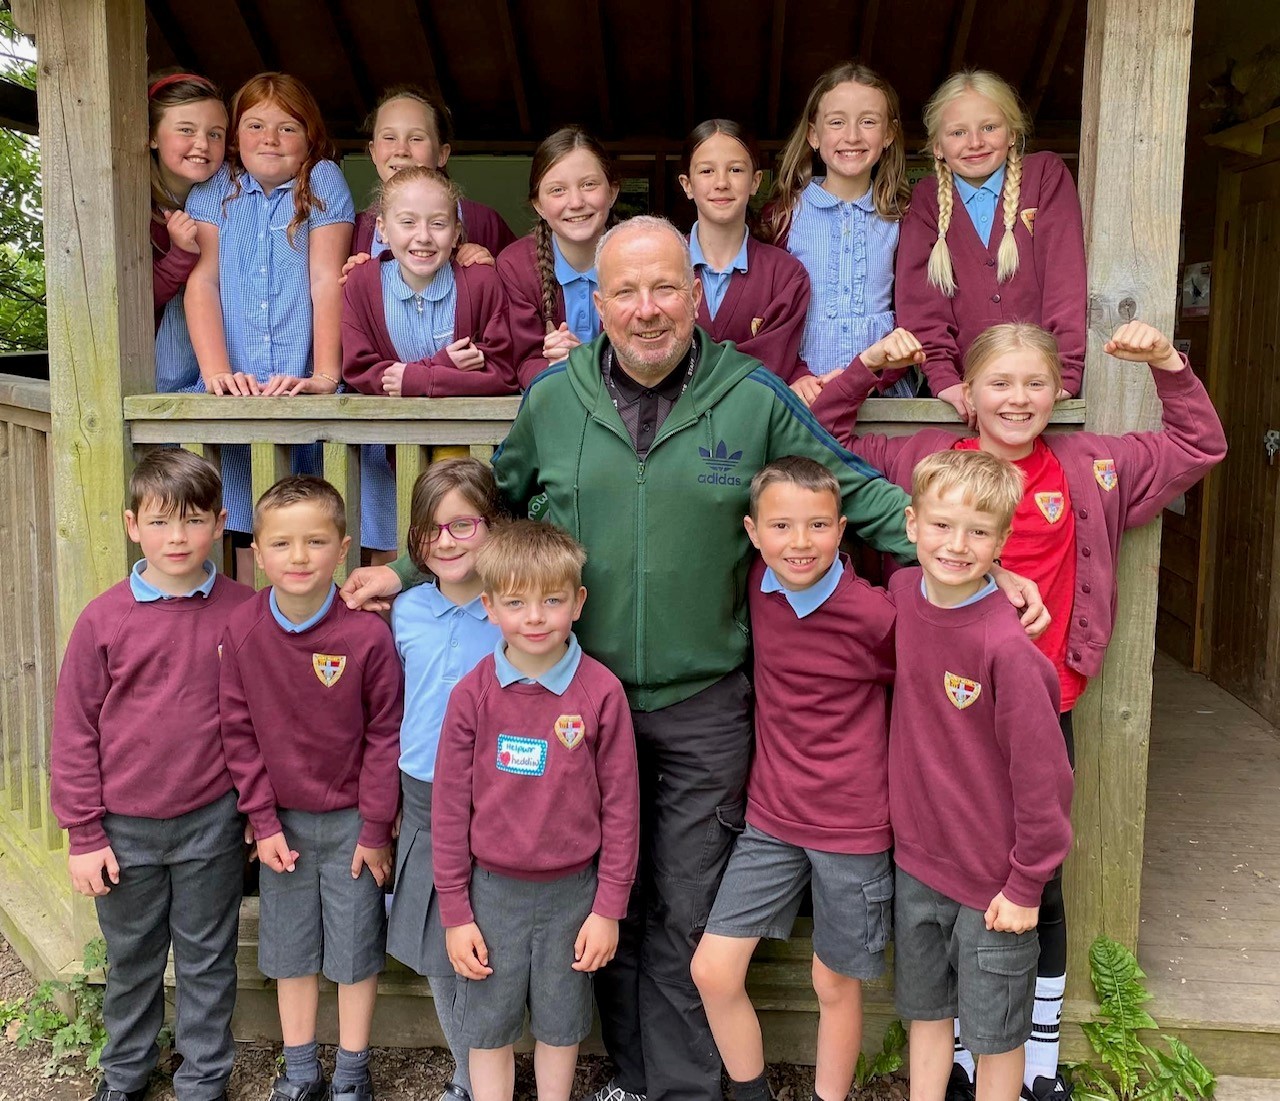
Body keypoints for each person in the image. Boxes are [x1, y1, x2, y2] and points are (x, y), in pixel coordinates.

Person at [340, 216, 1046, 1101]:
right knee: (607, 899)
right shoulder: (555, 400)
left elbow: (851, 486)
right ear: (598, 304)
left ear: (697, 295)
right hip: (578, 700)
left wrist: (974, 561)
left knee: (684, 906)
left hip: (704, 702)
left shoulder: (749, 394)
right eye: (625, 291)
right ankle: (629, 1074)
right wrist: (404, 568)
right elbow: (492, 503)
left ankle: (678, 1088)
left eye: (665, 288)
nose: (646, 310)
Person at [811, 320, 1227, 1099]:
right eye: (999, 382)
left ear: (1058, 391)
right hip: (947, 713)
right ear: (966, 392)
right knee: (951, 881)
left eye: (1035, 383)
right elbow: (823, 440)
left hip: (1041, 699)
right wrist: (868, 366)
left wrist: (1170, 363)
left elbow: (1198, 445)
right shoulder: (928, 468)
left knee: (1037, 882)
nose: (1018, 398)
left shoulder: (1089, 465)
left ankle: (1034, 1060)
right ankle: (966, 1053)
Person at [50, 450, 255, 1101]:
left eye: (193, 521)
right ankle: (125, 1074)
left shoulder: (243, 610)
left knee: (205, 958)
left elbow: (263, 722)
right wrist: (84, 833)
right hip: (123, 828)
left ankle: (203, 1079)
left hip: (211, 822)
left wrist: (256, 809)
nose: (177, 537)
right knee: (133, 962)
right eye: (161, 521)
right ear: (133, 524)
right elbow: (75, 730)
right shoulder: (104, 618)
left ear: (220, 523)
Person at [691, 457, 895, 1101]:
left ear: (842, 530)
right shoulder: (756, 585)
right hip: (771, 819)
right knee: (713, 970)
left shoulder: (876, 616)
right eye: (781, 526)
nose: (799, 542)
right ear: (753, 532)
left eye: (816, 526)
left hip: (853, 824)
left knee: (833, 983)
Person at [889, 449, 1073, 1101]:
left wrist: (1027, 884)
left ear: (1002, 541)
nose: (956, 544)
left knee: (995, 1036)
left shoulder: (1007, 650)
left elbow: (1045, 782)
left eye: (978, 531)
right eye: (941, 525)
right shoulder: (902, 592)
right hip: (916, 864)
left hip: (994, 884)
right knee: (928, 1013)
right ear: (911, 524)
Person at [432, 520, 639, 1101]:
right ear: (490, 607)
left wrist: (608, 909)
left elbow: (623, 808)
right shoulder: (472, 695)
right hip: (489, 894)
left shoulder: (600, 693)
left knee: (560, 1024)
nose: (536, 616)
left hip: (574, 894)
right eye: (517, 602)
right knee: (489, 1028)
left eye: (552, 600)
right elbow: (449, 809)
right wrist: (455, 911)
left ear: (578, 602)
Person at [219, 476, 403, 1101]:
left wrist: (376, 828)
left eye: (316, 541)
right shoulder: (243, 631)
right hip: (282, 828)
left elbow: (385, 736)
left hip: (354, 823)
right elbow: (237, 733)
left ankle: (352, 1073)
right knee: (290, 950)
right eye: (282, 543)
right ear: (258, 552)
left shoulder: (366, 635)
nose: (299, 557)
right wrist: (263, 822)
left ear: (344, 548)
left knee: (354, 951)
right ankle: (300, 1072)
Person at [183, 72, 354, 580]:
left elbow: (327, 278)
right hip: (237, 385)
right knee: (238, 516)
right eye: (255, 125)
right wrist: (215, 372)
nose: (270, 139)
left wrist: (324, 375)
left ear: (311, 139)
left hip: (297, 381)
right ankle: (249, 632)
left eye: (288, 128)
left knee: (309, 517)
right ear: (235, 136)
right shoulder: (217, 188)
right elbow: (204, 281)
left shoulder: (320, 178)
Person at [385, 459, 507, 1101]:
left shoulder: (513, 612)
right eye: (432, 530)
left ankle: (501, 1069)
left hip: (499, 795)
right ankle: (467, 1077)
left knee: (495, 939)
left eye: (464, 524)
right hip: (425, 794)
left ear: (495, 526)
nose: (448, 540)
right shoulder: (404, 611)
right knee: (441, 945)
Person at [341, 165, 516, 556]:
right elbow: (357, 369)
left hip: (463, 459)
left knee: (461, 552)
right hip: (384, 456)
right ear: (383, 229)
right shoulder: (362, 283)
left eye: (438, 224)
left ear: (456, 233)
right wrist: (445, 364)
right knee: (392, 556)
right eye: (407, 222)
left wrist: (420, 380)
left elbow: (503, 373)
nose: (423, 237)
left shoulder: (481, 283)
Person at [895, 70, 1087, 424]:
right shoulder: (926, 200)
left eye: (989, 127)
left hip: (1041, 389)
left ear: (1012, 134)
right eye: (957, 132)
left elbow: (1066, 280)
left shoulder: (1044, 176)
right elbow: (921, 304)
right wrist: (943, 380)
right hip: (965, 394)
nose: (975, 142)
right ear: (938, 146)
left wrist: (1066, 373)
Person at [765, 62, 916, 402]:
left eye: (868, 121)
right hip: (806, 392)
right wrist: (794, 374)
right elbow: (770, 316)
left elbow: (916, 310)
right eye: (836, 122)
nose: (852, 136)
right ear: (813, 135)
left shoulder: (902, 217)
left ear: (889, 134)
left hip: (883, 395)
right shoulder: (784, 216)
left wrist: (885, 373)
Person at [678, 119, 810, 382]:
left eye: (736, 170)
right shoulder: (658, 263)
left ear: (755, 181)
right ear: (687, 185)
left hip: (755, 420)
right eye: (706, 171)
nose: (721, 183)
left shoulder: (786, 275)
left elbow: (774, 365)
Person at [495, 127, 620, 388]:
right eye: (557, 190)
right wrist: (554, 365)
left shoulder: (640, 257)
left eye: (588, 185)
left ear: (612, 192)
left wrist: (582, 361)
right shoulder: (516, 266)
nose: (575, 202)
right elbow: (521, 363)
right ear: (538, 204)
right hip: (553, 406)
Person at [351, 85, 516, 262]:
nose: (401, 150)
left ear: (442, 154)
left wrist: (491, 273)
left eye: (416, 139)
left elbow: (520, 281)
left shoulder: (484, 222)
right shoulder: (355, 230)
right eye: (389, 138)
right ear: (373, 151)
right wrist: (352, 281)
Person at [148, 71, 227, 393]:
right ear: (153, 135)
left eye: (216, 134)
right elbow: (129, 299)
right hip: (149, 368)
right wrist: (180, 256)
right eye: (186, 130)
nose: (202, 144)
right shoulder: (129, 204)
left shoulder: (232, 195)